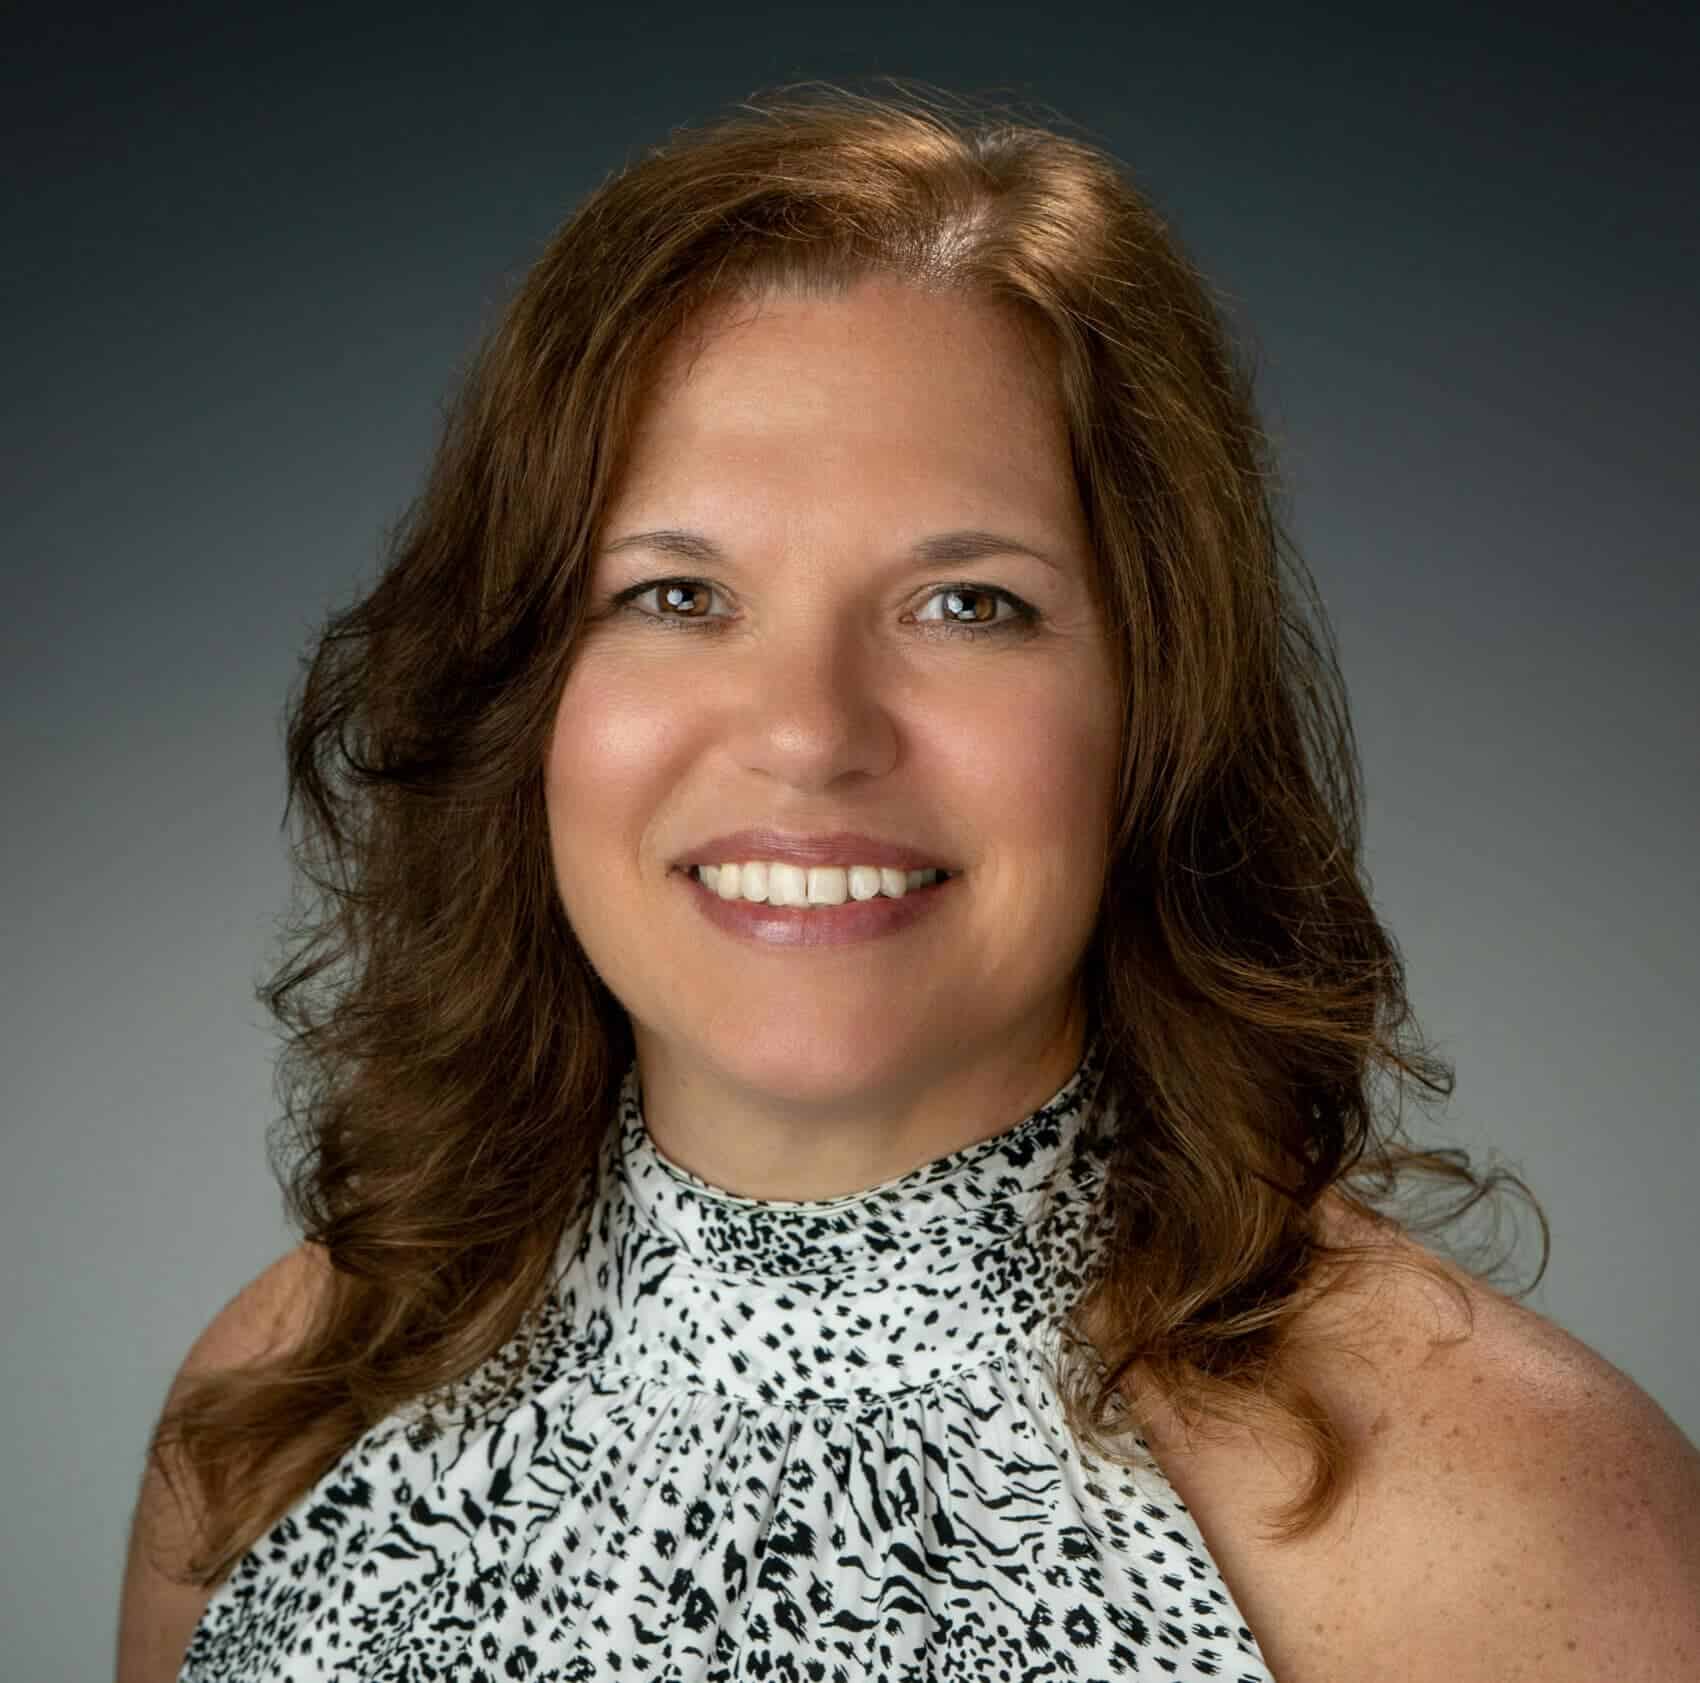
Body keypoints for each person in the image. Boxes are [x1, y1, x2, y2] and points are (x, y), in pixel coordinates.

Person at [117, 83, 1700, 1683]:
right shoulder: (280, 1402)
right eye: (675, 592)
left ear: (1157, 699)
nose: (809, 734)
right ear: (523, 691)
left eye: (966, 606)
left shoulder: (1497, 1520)